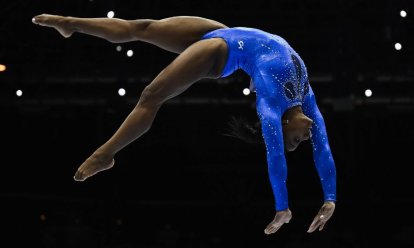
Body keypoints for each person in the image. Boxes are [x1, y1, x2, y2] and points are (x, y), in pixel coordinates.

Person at [32, 14, 336, 235]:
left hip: (222, 52)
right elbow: (322, 151)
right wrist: (329, 199)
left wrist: (282, 208)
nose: (305, 138)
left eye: (296, 141)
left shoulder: (270, 107)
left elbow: (276, 157)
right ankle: (70, 24)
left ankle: (105, 154)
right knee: (141, 27)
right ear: (284, 125)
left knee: (152, 94)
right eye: (296, 141)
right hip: (224, 32)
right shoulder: (306, 97)